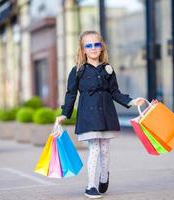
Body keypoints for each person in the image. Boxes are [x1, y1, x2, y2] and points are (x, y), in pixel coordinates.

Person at [55, 30, 145, 199]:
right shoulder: (78, 71)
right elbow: (71, 94)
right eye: (88, 45)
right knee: (94, 148)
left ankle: (104, 177)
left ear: (102, 47)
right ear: (83, 50)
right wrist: (64, 114)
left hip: (106, 113)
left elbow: (115, 92)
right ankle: (91, 186)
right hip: (88, 115)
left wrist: (132, 101)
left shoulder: (108, 69)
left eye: (96, 44)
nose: (93, 48)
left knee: (105, 149)